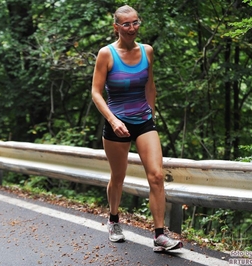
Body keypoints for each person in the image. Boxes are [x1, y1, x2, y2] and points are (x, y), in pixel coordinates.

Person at [91, 5, 182, 252]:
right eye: (126, 24)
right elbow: (96, 93)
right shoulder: (106, 54)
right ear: (116, 27)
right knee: (118, 177)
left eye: (135, 23)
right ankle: (113, 220)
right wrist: (113, 120)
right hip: (117, 120)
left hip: (143, 119)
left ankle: (160, 235)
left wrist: (150, 112)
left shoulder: (147, 51)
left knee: (157, 175)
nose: (132, 28)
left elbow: (150, 85)